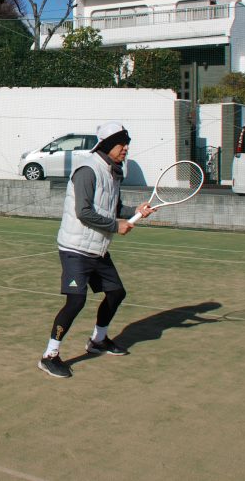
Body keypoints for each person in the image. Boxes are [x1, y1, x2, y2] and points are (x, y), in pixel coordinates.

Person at [38, 122, 155, 378]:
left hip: (97, 248)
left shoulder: (113, 172)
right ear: (107, 145)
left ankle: (98, 341)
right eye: (121, 144)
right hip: (75, 248)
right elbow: (84, 212)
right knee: (76, 301)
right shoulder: (87, 170)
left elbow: (113, 207)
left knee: (116, 293)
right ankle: (50, 355)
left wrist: (135, 211)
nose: (126, 149)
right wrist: (116, 225)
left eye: (127, 144)